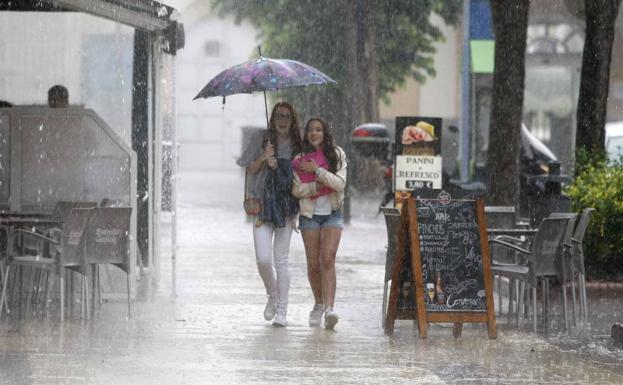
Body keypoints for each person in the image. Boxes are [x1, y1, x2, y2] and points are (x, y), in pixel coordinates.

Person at [237, 102, 302, 327]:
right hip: (263, 206)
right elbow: (248, 169)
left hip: (286, 208)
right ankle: (272, 294)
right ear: (272, 118)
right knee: (263, 259)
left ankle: (283, 311)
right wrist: (264, 157)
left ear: (292, 120)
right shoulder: (262, 140)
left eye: (287, 116)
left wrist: (282, 168)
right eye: (278, 116)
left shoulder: (298, 145)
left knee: (281, 260)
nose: (282, 120)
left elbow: (302, 177)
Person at [292, 118, 347, 330]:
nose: (314, 133)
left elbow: (340, 184)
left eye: (318, 130)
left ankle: (330, 309)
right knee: (314, 265)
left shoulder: (337, 154)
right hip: (309, 216)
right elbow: (297, 190)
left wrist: (318, 171)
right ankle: (318, 303)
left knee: (327, 259)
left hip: (332, 214)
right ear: (306, 134)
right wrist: (316, 187)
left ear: (325, 133)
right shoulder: (299, 160)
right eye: (310, 130)